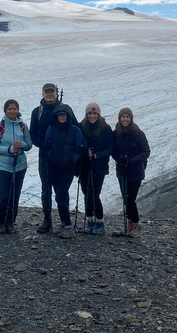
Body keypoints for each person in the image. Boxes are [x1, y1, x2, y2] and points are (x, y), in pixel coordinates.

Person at [30, 83, 77, 233]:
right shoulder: (37, 112)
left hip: (62, 158)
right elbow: (33, 134)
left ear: (56, 93)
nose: (49, 94)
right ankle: (47, 219)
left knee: (61, 190)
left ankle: (64, 220)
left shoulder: (65, 109)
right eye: (47, 92)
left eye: (52, 92)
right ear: (42, 94)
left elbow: (75, 129)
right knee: (46, 188)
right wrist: (43, 145)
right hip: (45, 156)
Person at [0, 99, 32, 234]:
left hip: (19, 165)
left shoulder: (23, 126)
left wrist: (22, 145)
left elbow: (29, 144)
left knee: (15, 194)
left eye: (15, 109)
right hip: (2, 165)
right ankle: (0, 222)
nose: (12, 111)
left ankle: (10, 222)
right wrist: (9, 149)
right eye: (10, 109)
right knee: (4, 194)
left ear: (18, 110)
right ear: (5, 111)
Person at [43, 104, 84, 239]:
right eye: (59, 115)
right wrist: (50, 157)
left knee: (61, 193)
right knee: (60, 194)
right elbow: (47, 144)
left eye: (64, 115)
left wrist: (73, 159)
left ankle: (68, 225)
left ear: (68, 116)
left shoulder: (75, 130)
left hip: (68, 167)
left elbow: (79, 147)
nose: (61, 117)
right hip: (54, 166)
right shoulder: (51, 129)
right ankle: (64, 222)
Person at [111, 107, 151, 238]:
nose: (125, 119)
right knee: (126, 198)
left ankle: (136, 224)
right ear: (120, 118)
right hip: (122, 171)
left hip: (135, 171)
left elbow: (146, 152)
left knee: (130, 199)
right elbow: (113, 149)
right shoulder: (116, 133)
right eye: (123, 117)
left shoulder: (138, 133)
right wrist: (119, 159)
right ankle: (129, 225)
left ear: (131, 118)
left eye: (127, 117)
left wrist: (131, 160)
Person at [78, 102, 114, 234]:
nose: (92, 116)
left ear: (98, 114)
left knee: (94, 194)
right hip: (85, 166)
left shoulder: (105, 128)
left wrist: (96, 154)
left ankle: (99, 221)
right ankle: (90, 220)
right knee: (86, 194)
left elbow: (110, 148)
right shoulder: (81, 127)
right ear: (86, 114)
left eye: (94, 113)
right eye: (90, 113)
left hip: (99, 167)